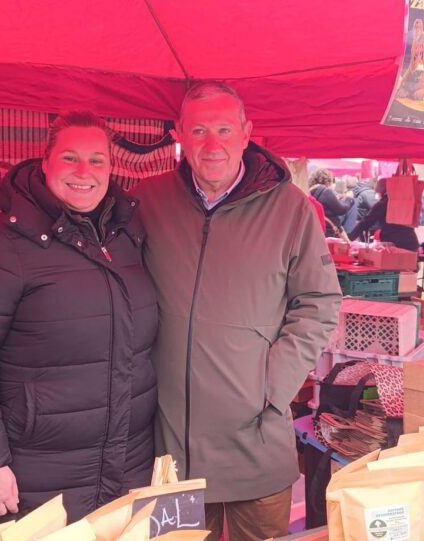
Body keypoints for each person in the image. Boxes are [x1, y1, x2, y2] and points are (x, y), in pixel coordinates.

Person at [133, 82, 341, 541]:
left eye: (224, 130)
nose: (212, 144)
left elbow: (319, 301)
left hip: (255, 437)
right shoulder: (147, 201)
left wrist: (272, 385)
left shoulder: (291, 209)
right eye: (199, 130)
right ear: (178, 135)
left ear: (247, 133)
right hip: (170, 446)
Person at [0, 111, 158, 525]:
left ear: (111, 168)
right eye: (70, 158)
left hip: (127, 462)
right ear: (46, 161)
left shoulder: (128, 237)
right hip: (31, 469)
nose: (84, 172)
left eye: (97, 160)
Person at [347, 178, 420, 252]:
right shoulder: (403, 200)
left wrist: (350, 238)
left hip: (395, 244)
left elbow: (368, 220)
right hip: (411, 243)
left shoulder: (386, 201)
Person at [308, 169, 350, 234]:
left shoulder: (310, 191)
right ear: (328, 180)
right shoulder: (326, 191)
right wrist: (349, 198)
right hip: (329, 231)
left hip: (316, 229)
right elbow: (341, 210)